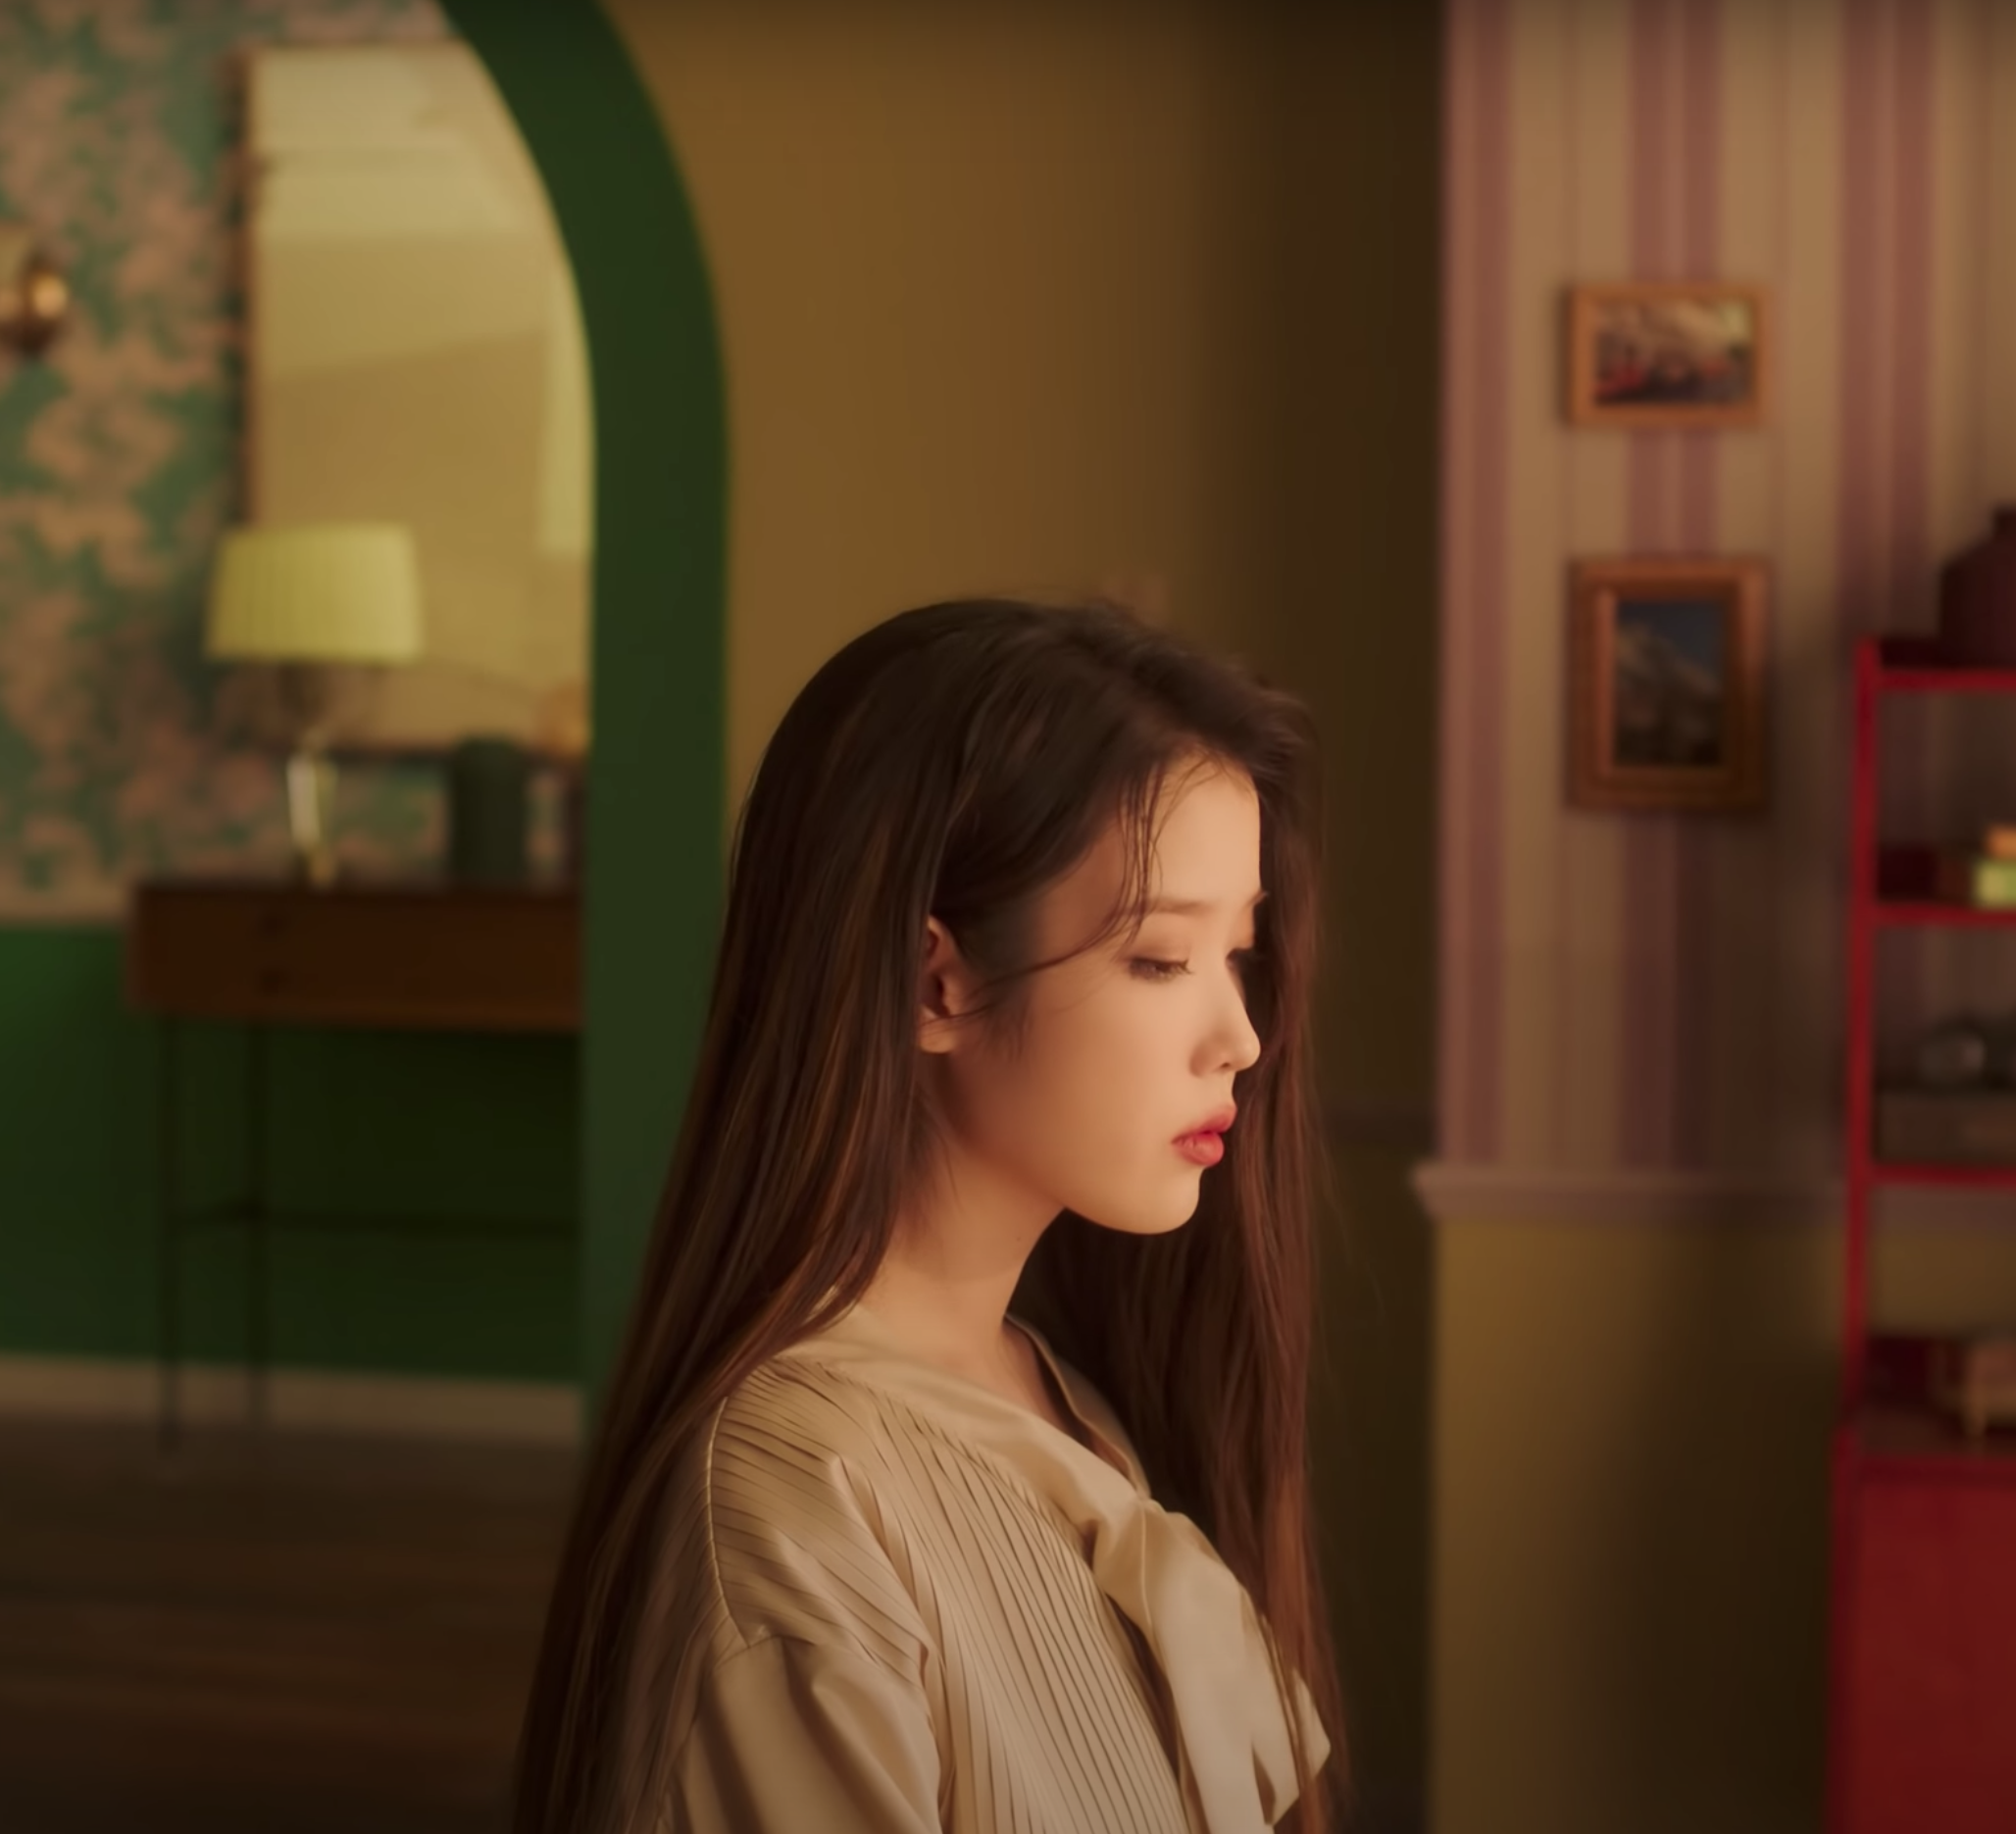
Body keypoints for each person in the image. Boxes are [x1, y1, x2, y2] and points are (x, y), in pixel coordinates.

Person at [513, 598, 1345, 1833]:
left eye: (1240, 953)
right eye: (1161, 958)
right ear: (933, 981)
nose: (1241, 1038)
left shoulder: (1056, 1394)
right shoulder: (794, 1519)